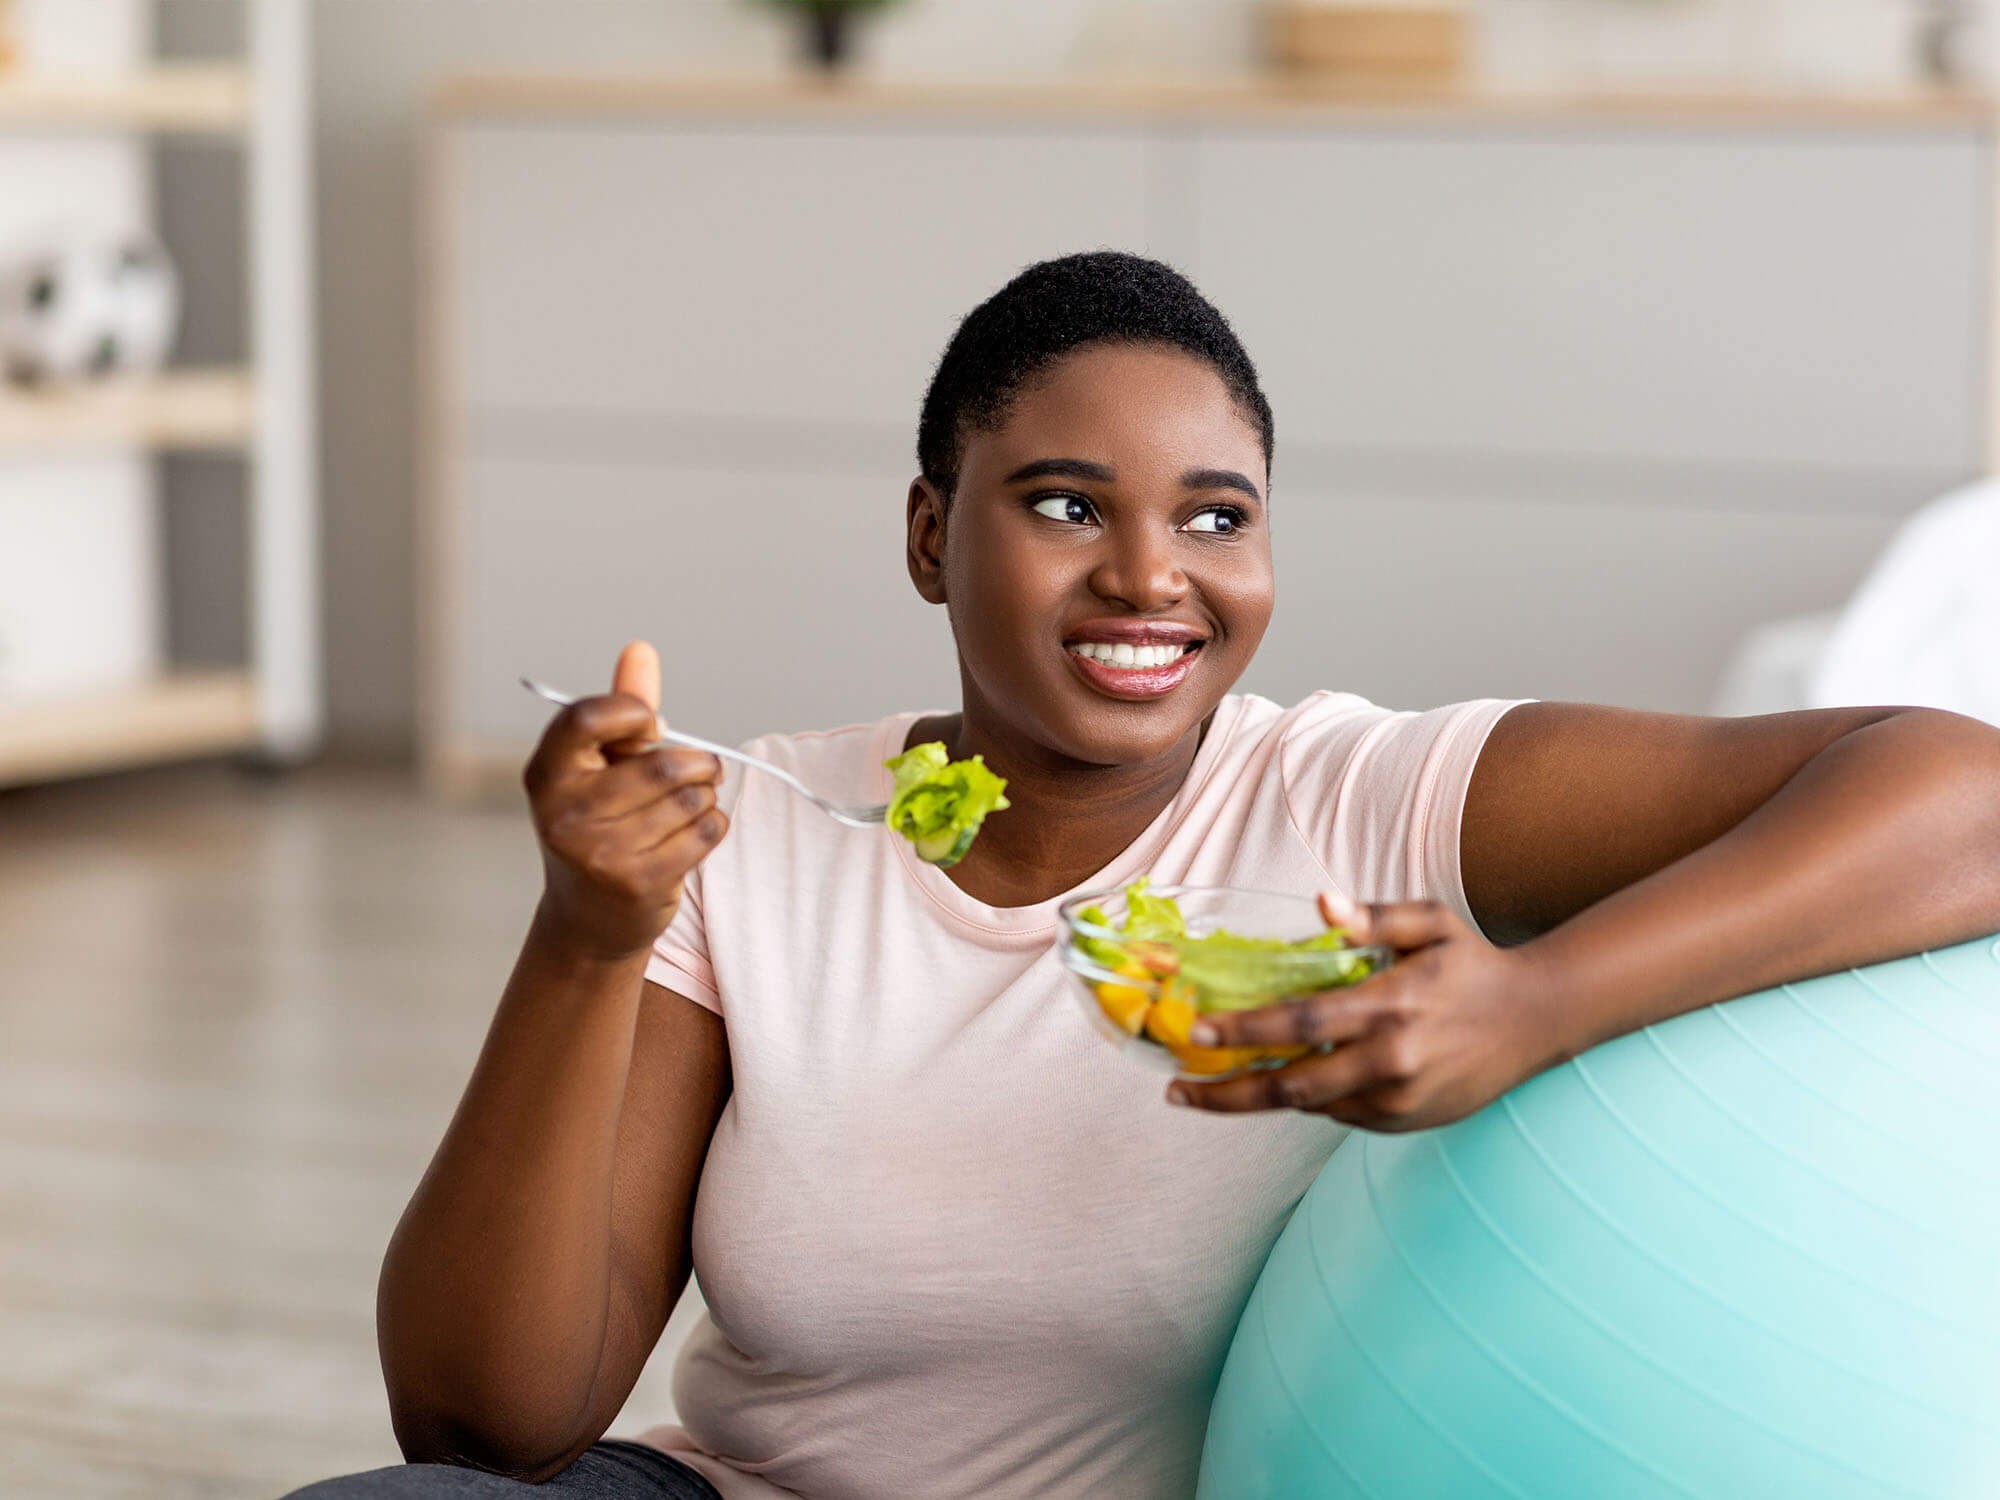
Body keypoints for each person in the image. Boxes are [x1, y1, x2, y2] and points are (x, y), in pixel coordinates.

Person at [290, 253, 2000, 1499]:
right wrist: (586, 942)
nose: (1146, 579)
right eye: (1060, 504)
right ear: (928, 534)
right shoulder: (757, 840)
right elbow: (484, 1430)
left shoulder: (1371, 794)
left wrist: (1535, 1006)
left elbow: (1967, 788)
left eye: (1213, 517)